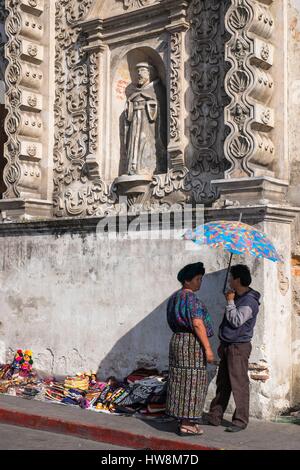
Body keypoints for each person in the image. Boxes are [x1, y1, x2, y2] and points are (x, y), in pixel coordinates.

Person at [206, 264, 261, 432]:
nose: (229, 280)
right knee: (223, 382)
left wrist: (230, 301)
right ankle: (215, 416)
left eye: (231, 277)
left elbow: (236, 321)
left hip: (238, 347)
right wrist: (231, 299)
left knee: (239, 384)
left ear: (238, 279)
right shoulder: (238, 296)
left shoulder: (249, 301)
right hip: (229, 345)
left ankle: (240, 421)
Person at [165, 262, 215, 436]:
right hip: (191, 343)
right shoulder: (191, 299)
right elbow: (197, 323)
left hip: (177, 340)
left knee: (179, 380)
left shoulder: (174, 297)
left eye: (200, 279)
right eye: (197, 279)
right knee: (192, 381)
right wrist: (208, 349)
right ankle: (187, 424)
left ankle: (182, 420)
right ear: (187, 280)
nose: (199, 282)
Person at [125, 62, 167, 176]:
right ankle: (133, 168)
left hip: (149, 125)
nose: (139, 73)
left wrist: (149, 104)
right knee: (134, 143)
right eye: (138, 71)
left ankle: (149, 168)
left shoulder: (156, 89)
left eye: (143, 70)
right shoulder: (134, 91)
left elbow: (160, 108)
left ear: (150, 73)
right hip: (135, 122)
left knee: (147, 143)